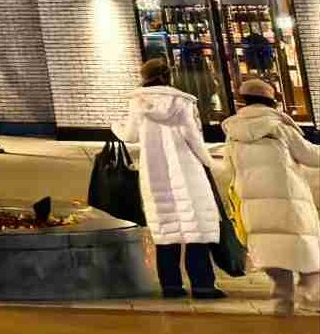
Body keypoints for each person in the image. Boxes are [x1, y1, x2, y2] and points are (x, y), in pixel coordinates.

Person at [118, 56, 228, 300]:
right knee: (194, 226)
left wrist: (115, 126)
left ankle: (171, 286)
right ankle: (202, 285)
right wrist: (208, 161)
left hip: (154, 170)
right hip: (186, 168)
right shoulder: (182, 101)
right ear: (168, 75)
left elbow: (130, 135)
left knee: (164, 227)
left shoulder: (138, 102)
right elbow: (193, 136)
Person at [219, 77, 320, 315]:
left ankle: (283, 303)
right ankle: (310, 295)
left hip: (253, 203)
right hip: (287, 200)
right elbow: (310, 156)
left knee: (273, 251)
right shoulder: (278, 127)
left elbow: (228, 166)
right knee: (307, 249)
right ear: (271, 101)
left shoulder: (233, 131)